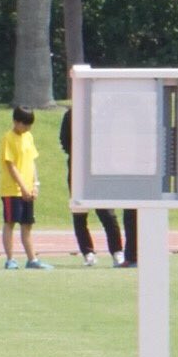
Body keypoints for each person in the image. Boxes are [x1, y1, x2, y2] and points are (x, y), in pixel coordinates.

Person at [58, 108, 124, 267]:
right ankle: (88, 253)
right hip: (77, 169)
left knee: (107, 213)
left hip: (99, 169)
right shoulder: (71, 114)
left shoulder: (101, 113)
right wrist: (77, 154)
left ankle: (117, 252)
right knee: (79, 213)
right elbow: (64, 139)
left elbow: (110, 138)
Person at [0, 106, 50, 270]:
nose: (28, 128)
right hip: (12, 190)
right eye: (25, 124)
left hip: (28, 189)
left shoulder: (28, 137)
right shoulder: (8, 138)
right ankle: (10, 259)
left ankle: (32, 259)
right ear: (16, 121)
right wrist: (23, 187)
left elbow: (32, 161)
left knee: (27, 224)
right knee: (10, 222)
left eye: (30, 125)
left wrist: (35, 184)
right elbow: (11, 166)